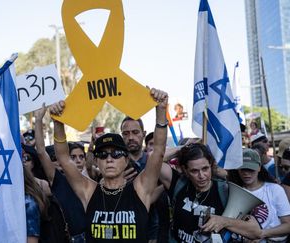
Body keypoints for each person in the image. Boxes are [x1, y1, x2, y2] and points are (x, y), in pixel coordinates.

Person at [50, 88, 168, 242]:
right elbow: (64, 159)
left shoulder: (140, 189)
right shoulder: (89, 191)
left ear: (126, 160)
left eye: (116, 154)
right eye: (103, 155)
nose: (109, 159)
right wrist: (58, 123)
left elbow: (158, 150)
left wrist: (161, 110)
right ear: (96, 161)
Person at [160, 144, 262, 242]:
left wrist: (224, 221)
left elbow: (256, 232)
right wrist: (184, 148)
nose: (201, 176)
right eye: (194, 171)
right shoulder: (178, 183)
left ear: (211, 166)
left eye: (205, 169)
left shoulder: (226, 191)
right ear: (185, 170)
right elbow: (155, 159)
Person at [34, 106, 87, 242]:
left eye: (81, 157)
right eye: (72, 157)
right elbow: (41, 151)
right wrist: (38, 119)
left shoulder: (93, 183)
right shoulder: (59, 180)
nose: (78, 161)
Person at [228, 148, 290, 242]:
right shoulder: (233, 191)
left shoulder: (275, 190)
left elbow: (288, 225)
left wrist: (262, 234)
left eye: (251, 169)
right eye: (243, 169)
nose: (246, 173)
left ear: (259, 167)